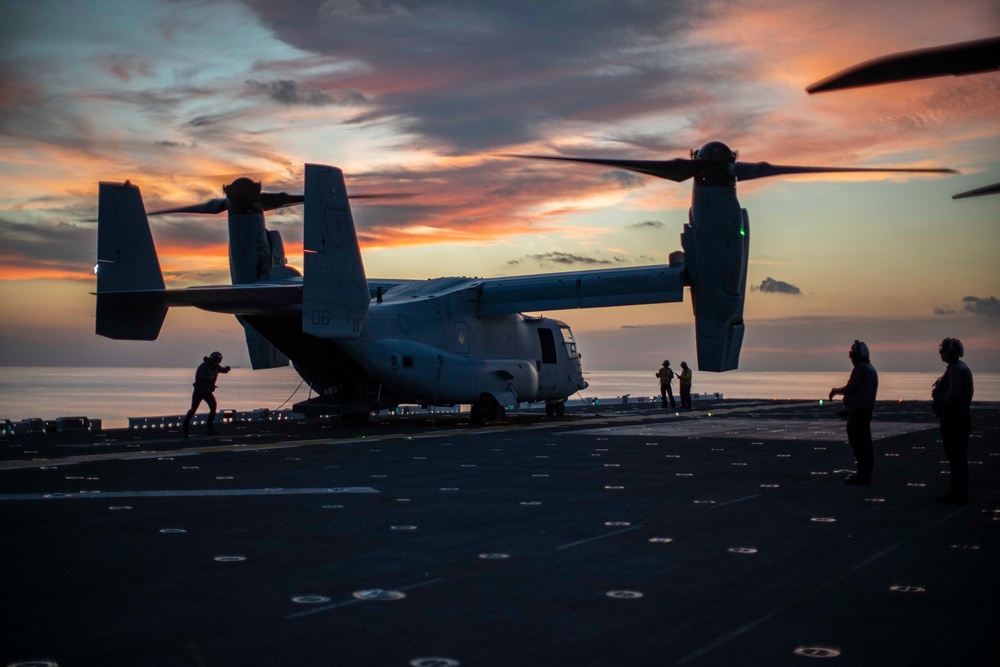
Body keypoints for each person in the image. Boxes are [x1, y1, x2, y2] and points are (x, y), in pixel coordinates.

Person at [829, 340, 879, 484]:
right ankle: (864, 474)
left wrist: (836, 391)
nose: (852, 358)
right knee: (865, 444)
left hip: (858, 412)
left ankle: (862, 476)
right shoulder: (870, 368)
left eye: (853, 355)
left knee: (858, 444)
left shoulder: (860, 369)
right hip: (864, 411)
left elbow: (851, 388)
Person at [931, 338, 974, 503]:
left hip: (954, 420)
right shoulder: (959, 368)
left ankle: (958, 493)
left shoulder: (956, 369)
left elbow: (953, 394)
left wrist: (939, 396)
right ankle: (958, 491)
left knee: (956, 458)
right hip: (958, 418)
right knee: (958, 458)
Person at [182, 351, 231, 439]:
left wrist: (227, 369)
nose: (217, 362)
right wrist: (209, 381)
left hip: (207, 391)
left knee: (213, 407)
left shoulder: (215, 367)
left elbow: (222, 370)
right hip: (199, 391)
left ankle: (209, 429)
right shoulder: (204, 366)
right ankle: (185, 427)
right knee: (193, 409)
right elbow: (200, 376)